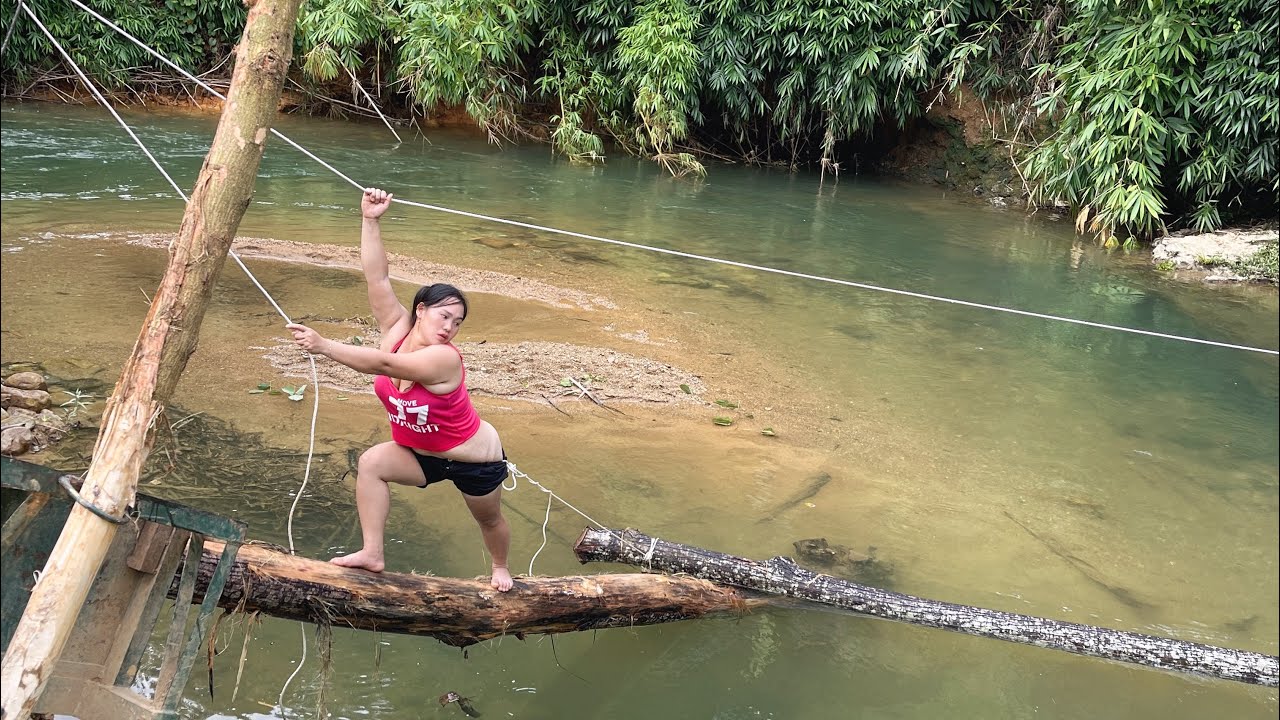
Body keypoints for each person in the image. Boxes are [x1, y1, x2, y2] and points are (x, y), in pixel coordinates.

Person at [286, 187, 514, 592]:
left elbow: (386, 364)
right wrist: (370, 220)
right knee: (372, 463)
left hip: (474, 460)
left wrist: (324, 346)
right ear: (421, 310)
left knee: (489, 519)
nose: (449, 328)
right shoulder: (395, 328)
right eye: (444, 316)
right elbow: (377, 276)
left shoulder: (444, 359)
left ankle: (500, 566)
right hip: (420, 454)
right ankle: (372, 553)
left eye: (458, 322)